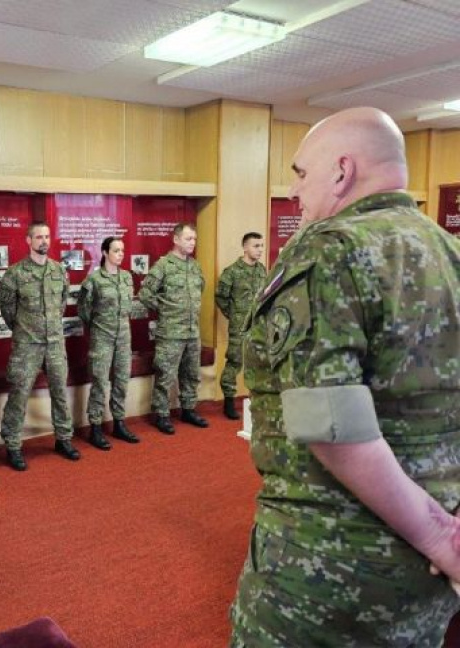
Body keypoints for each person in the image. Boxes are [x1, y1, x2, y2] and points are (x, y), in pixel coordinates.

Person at [230, 107, 460, 646]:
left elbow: (329, 423)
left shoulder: (330, 248)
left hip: (330, 566)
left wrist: (441, 537)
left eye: (300, 173)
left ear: (342, 171)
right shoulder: (450, 252)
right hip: (427, 577)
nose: (293, 190)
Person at [0, 223, 80, 470]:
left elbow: (61, 304)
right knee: (19, 395)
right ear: (28, 240)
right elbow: (8, 311)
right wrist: (26, 329)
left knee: (60, 392)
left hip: (55, 343)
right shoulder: (15, 273)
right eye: (38, 237)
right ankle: (13, 445)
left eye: (47, 236)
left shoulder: (59, 270)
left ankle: (63, 438)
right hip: (27, 345)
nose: (44, 241)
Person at [137, 223, 208, 434]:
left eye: (194, 239)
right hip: (170, 332)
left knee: (191, 374)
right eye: (188, 239)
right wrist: (165, 309)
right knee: (165, 375)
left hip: (192, 331)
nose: (192, 243)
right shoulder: (163, 266)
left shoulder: (195, 266)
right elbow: (145, 294)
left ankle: (188, 409)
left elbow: (200, 290)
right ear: (176, 239)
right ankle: (161, 414)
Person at [77, 236, 140, 449]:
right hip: (102, 338)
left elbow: (128, 307)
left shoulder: (127, 277)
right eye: (116, 250)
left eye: (122, 250)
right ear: (104, 253)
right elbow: (83, 310)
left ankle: (119, 423)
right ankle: (95, 427)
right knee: (100, 382)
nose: (120, 254)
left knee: (121, 380)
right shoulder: (94, 280)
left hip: (123, 337)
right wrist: (99, 326)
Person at [215, 232, 266, 420]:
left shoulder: (262, 270)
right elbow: (221, 297)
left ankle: (256, 399)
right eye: (256, 246)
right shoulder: (232, 272)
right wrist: (235, 315)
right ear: (245, 247)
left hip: (258, 326)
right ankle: (228, 401)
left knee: (258, 362)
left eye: (261, 246)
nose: (260, 250)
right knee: (235, 362)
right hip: (239, 327)